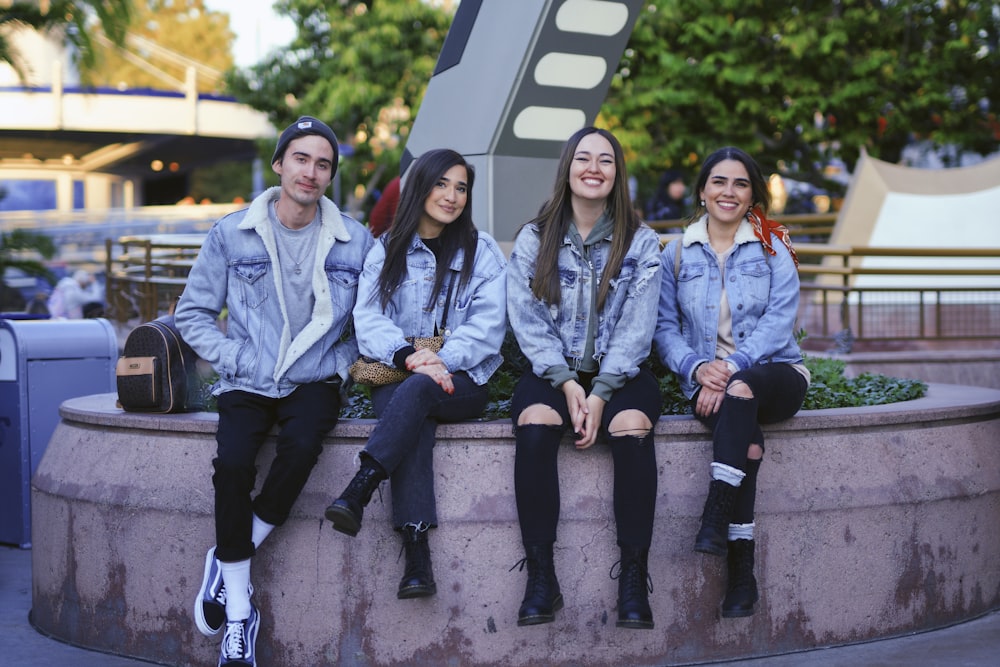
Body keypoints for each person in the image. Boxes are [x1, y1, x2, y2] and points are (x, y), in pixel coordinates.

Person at [174, 116, 374, 667]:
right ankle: (241, 611)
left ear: (330, 176)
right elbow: (191, 314)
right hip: (248, 376)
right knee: (234, 464)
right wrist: (233, 356)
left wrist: (339, 361)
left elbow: (368, 321)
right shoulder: (231, 233)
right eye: (302, 159)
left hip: (313, 378)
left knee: (303, 448)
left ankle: (229, 557)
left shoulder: (355, 241)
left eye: (323, 164)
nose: (311, 172)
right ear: (280, 164)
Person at [324, 148, 507, 599]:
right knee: (415, 417)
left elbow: (487, 329)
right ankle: (417, 560)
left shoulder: (481, 252)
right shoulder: (386, 250)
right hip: (400, 373)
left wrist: (435, 362)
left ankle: (361, 485)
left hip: (462, 381)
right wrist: (410, 356)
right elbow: (368, 319)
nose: (451, 196)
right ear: (419, 187)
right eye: (441, 184)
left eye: (461, 187)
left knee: (421, 393)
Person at [506, 126, 663, 630]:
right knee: (534, 422)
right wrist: (568, 383)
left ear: (618, 174)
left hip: (619, 374)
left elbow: (638, 331)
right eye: (583, 159)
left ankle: (634, 579)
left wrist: (599, 396)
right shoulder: (536, 236)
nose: (593, 168)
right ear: (568, 169)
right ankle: (541, 579)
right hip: (554, 371)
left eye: (605, 161)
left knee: (633, 426)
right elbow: (526, 318)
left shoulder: (641, 242)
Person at [653, 146, 809, 619]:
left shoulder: (772, 248)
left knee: (743, 387)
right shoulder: (676, 252)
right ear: (702, 191)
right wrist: (698, 370)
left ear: (752, 195)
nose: (729, 191)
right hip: (711, 382)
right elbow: (663, 328)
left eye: (740, 184)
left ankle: (715, 512)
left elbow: (779, 323)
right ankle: (741, 572)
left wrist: (733, 366)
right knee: (751, 448)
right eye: (719, 181)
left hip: (776, 371)